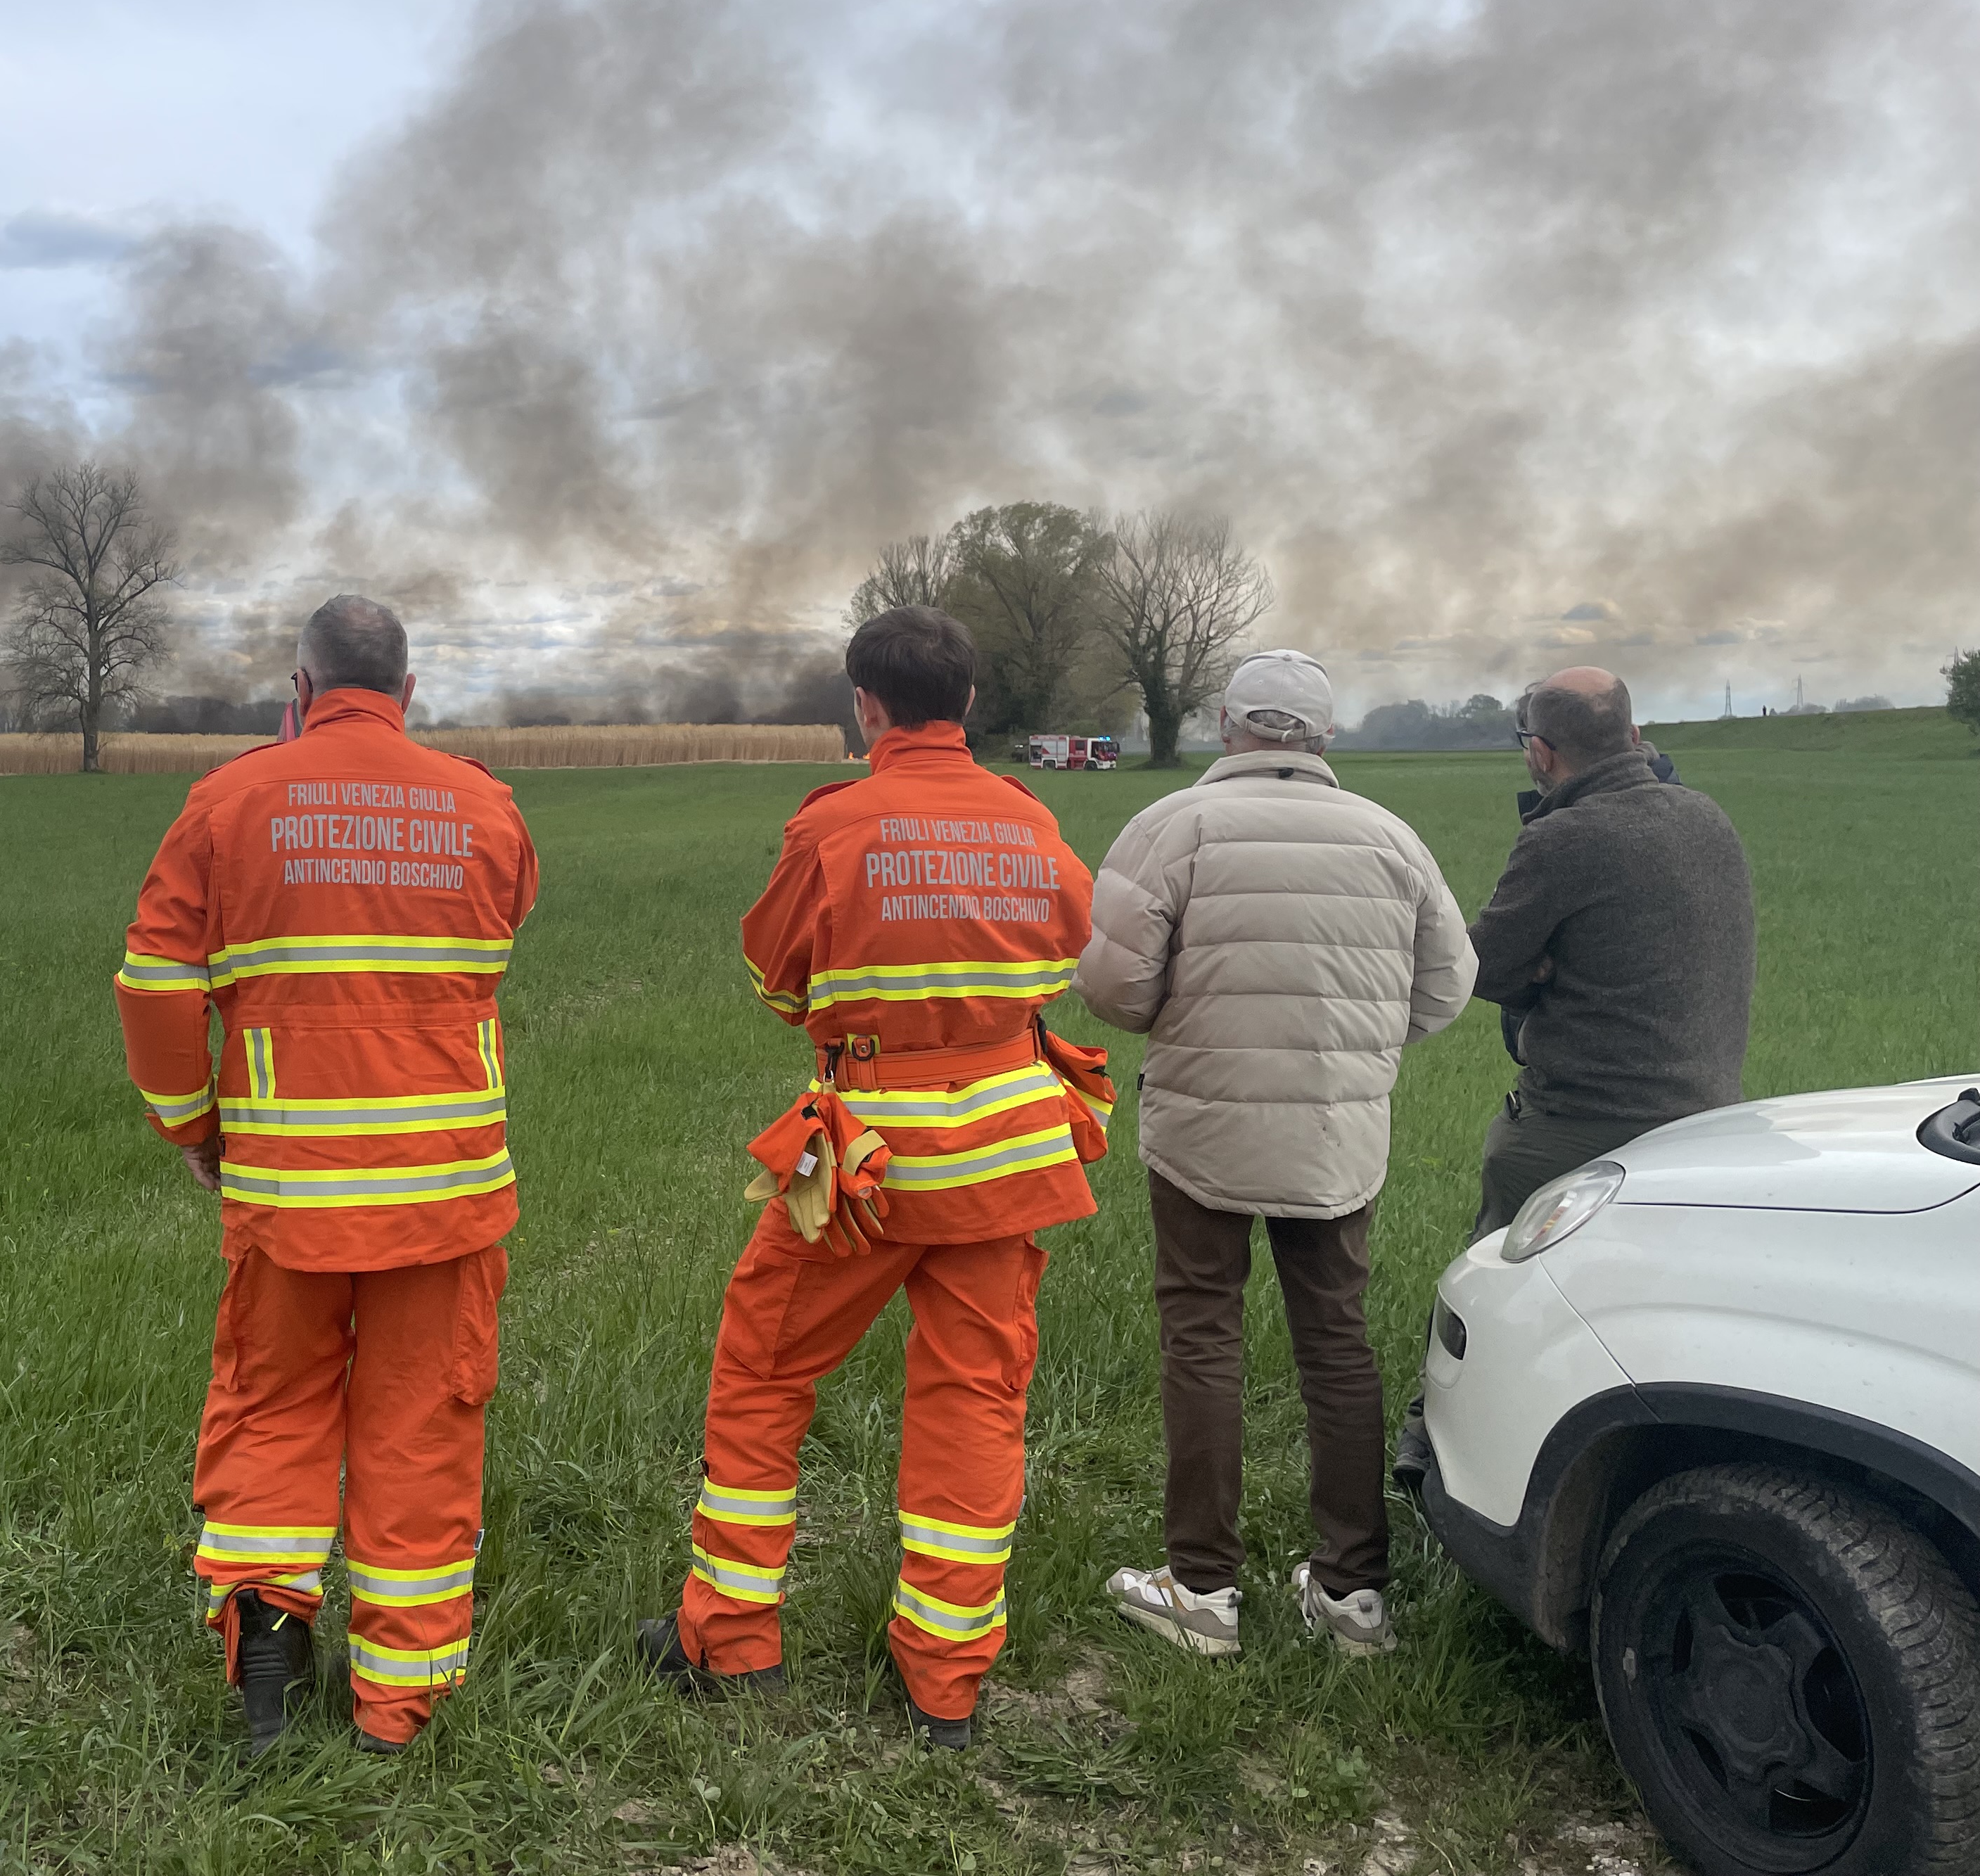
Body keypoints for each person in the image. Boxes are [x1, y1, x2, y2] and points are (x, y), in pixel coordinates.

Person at [637, 606, 1105, 1749]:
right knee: (976, 1397)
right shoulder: (1031, 817)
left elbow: (775, 979)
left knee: (763, 1366)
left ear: (866, 705)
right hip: (1008, 1152)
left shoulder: (833, 824)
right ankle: (945, 1681)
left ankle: (728, 1639)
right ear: (970, 702)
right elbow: (1068, 951)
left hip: (861, 1158)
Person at [113, 595, 539, 1755]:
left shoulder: (229, 800)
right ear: (408, 692)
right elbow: (498, 937)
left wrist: (192, 1125)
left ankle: (267, 1649)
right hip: (443, 1190)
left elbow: (154, 984)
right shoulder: (486, 806)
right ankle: (396, 1706)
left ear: (299, 690)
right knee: (422, 1427)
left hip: (286, 1183)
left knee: (273, 1403)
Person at [1075, 649, 1471, 1659]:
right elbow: (1445, 988)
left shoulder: (1174, 827)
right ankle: (1351, 1595)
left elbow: (1114, 988)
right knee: (1337, 1343)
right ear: (1324, 736)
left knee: (1202, 1335)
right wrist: (1353, 1048)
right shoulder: (1391, 837)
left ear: (1227, 724)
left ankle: (1202, 1589)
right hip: (1338, 1132)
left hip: (1201, 1129)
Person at [1393, 666, 1753, 1491]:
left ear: (1542, 753)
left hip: (1582, 1121)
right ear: (1634, 735)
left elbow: (1480, 967)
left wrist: (1540, 969)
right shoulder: (1707, 816)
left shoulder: (1564, 838)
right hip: (1707, 1118)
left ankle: (1439, 1444)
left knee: (1492, 1287)